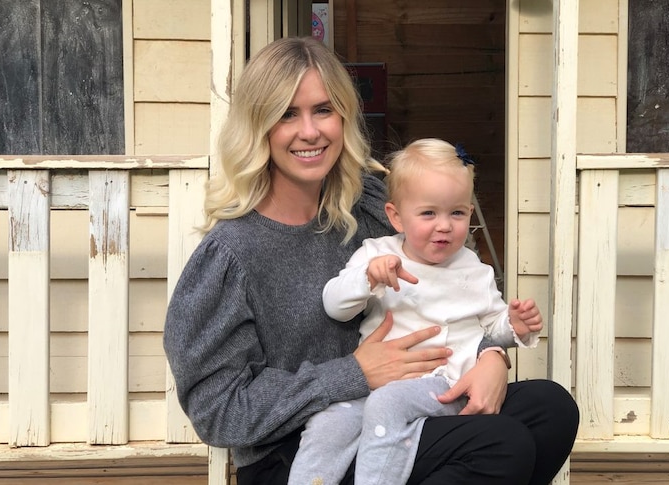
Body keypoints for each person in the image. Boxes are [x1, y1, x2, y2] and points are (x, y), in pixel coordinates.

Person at [163, 35, 578, 485]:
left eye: (323, 110)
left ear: (343, 116)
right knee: (501, 445)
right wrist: (352, 374)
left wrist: (492, 355)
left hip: (406, 405)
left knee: (550, 409)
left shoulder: (372, 205)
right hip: (300, 450)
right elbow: (219, 412)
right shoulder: (232, 253)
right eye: (287, 114)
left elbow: (453, 288)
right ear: (258, 126)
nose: (310, 131)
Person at [287, 138, 545, 485]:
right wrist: (367, 279)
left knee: (389, 406)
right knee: (327, 423)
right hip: (374, 388)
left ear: (469, 213)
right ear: (396, 216)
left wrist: (515, 325)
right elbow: (335, 306)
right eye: (428, 213)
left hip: (445, 386)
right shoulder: (376, 254)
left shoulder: (474, 269)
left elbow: (491, 329)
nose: (444, 225)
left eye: (456, 212)